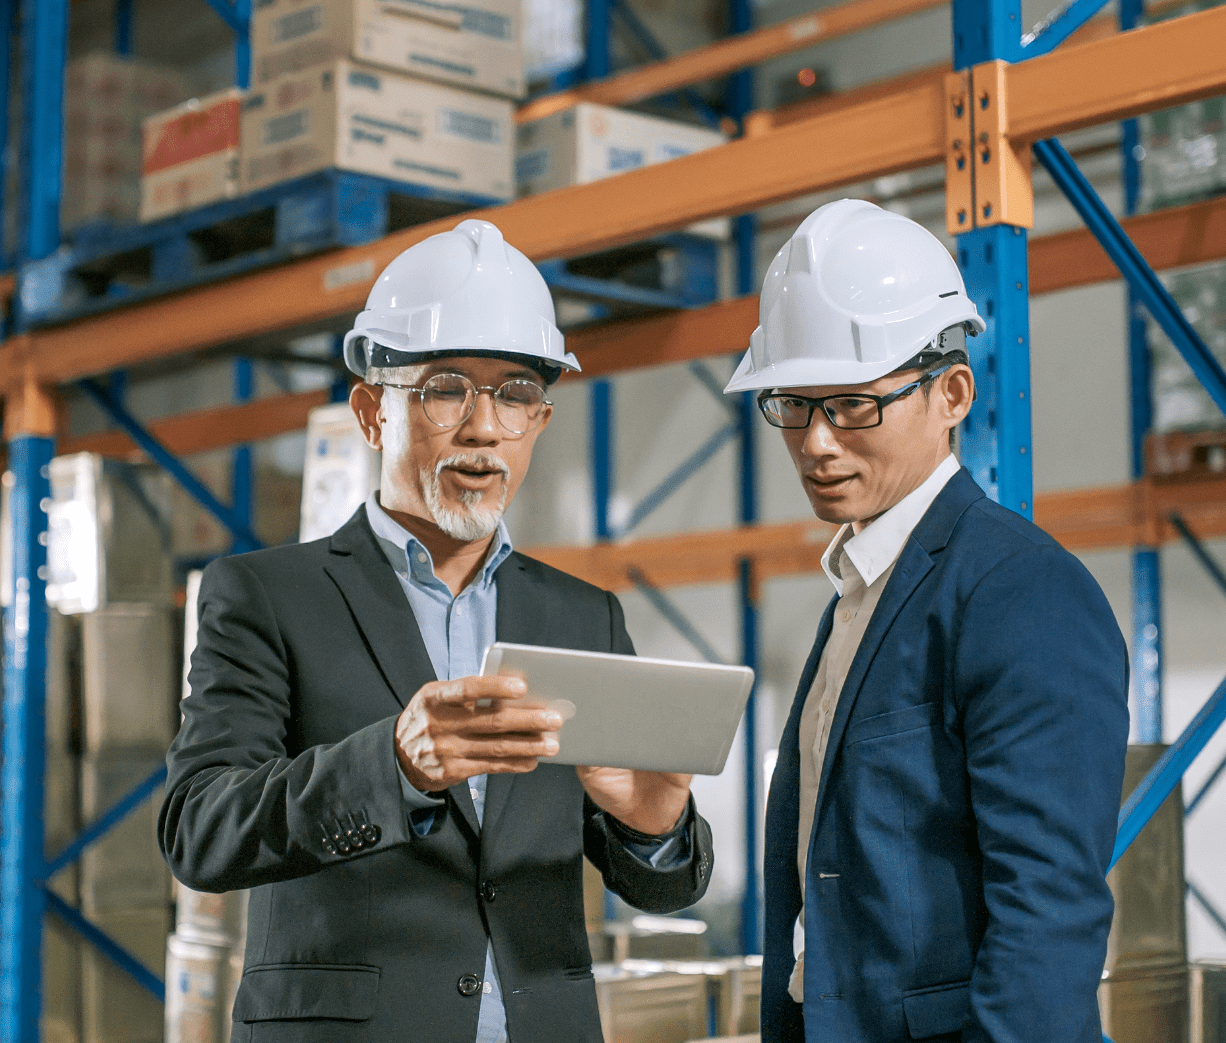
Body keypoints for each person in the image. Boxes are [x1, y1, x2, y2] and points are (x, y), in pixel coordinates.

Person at [161, 218, 713, 1043]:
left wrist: (653, 825)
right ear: (371, 411)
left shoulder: (582, 616)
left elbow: (663, 887)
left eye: (516, 394)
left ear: (540, 421)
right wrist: (392, 764)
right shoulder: (267, 596)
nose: (484, 427)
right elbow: (199, 828)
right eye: (446, 388)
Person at [726, 199, 1129, 1043]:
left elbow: (1046, 917)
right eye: (793, 404)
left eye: (852, 404)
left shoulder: (1021, 594)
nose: (817, 443)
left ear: (951, 393)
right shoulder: (860, 592)